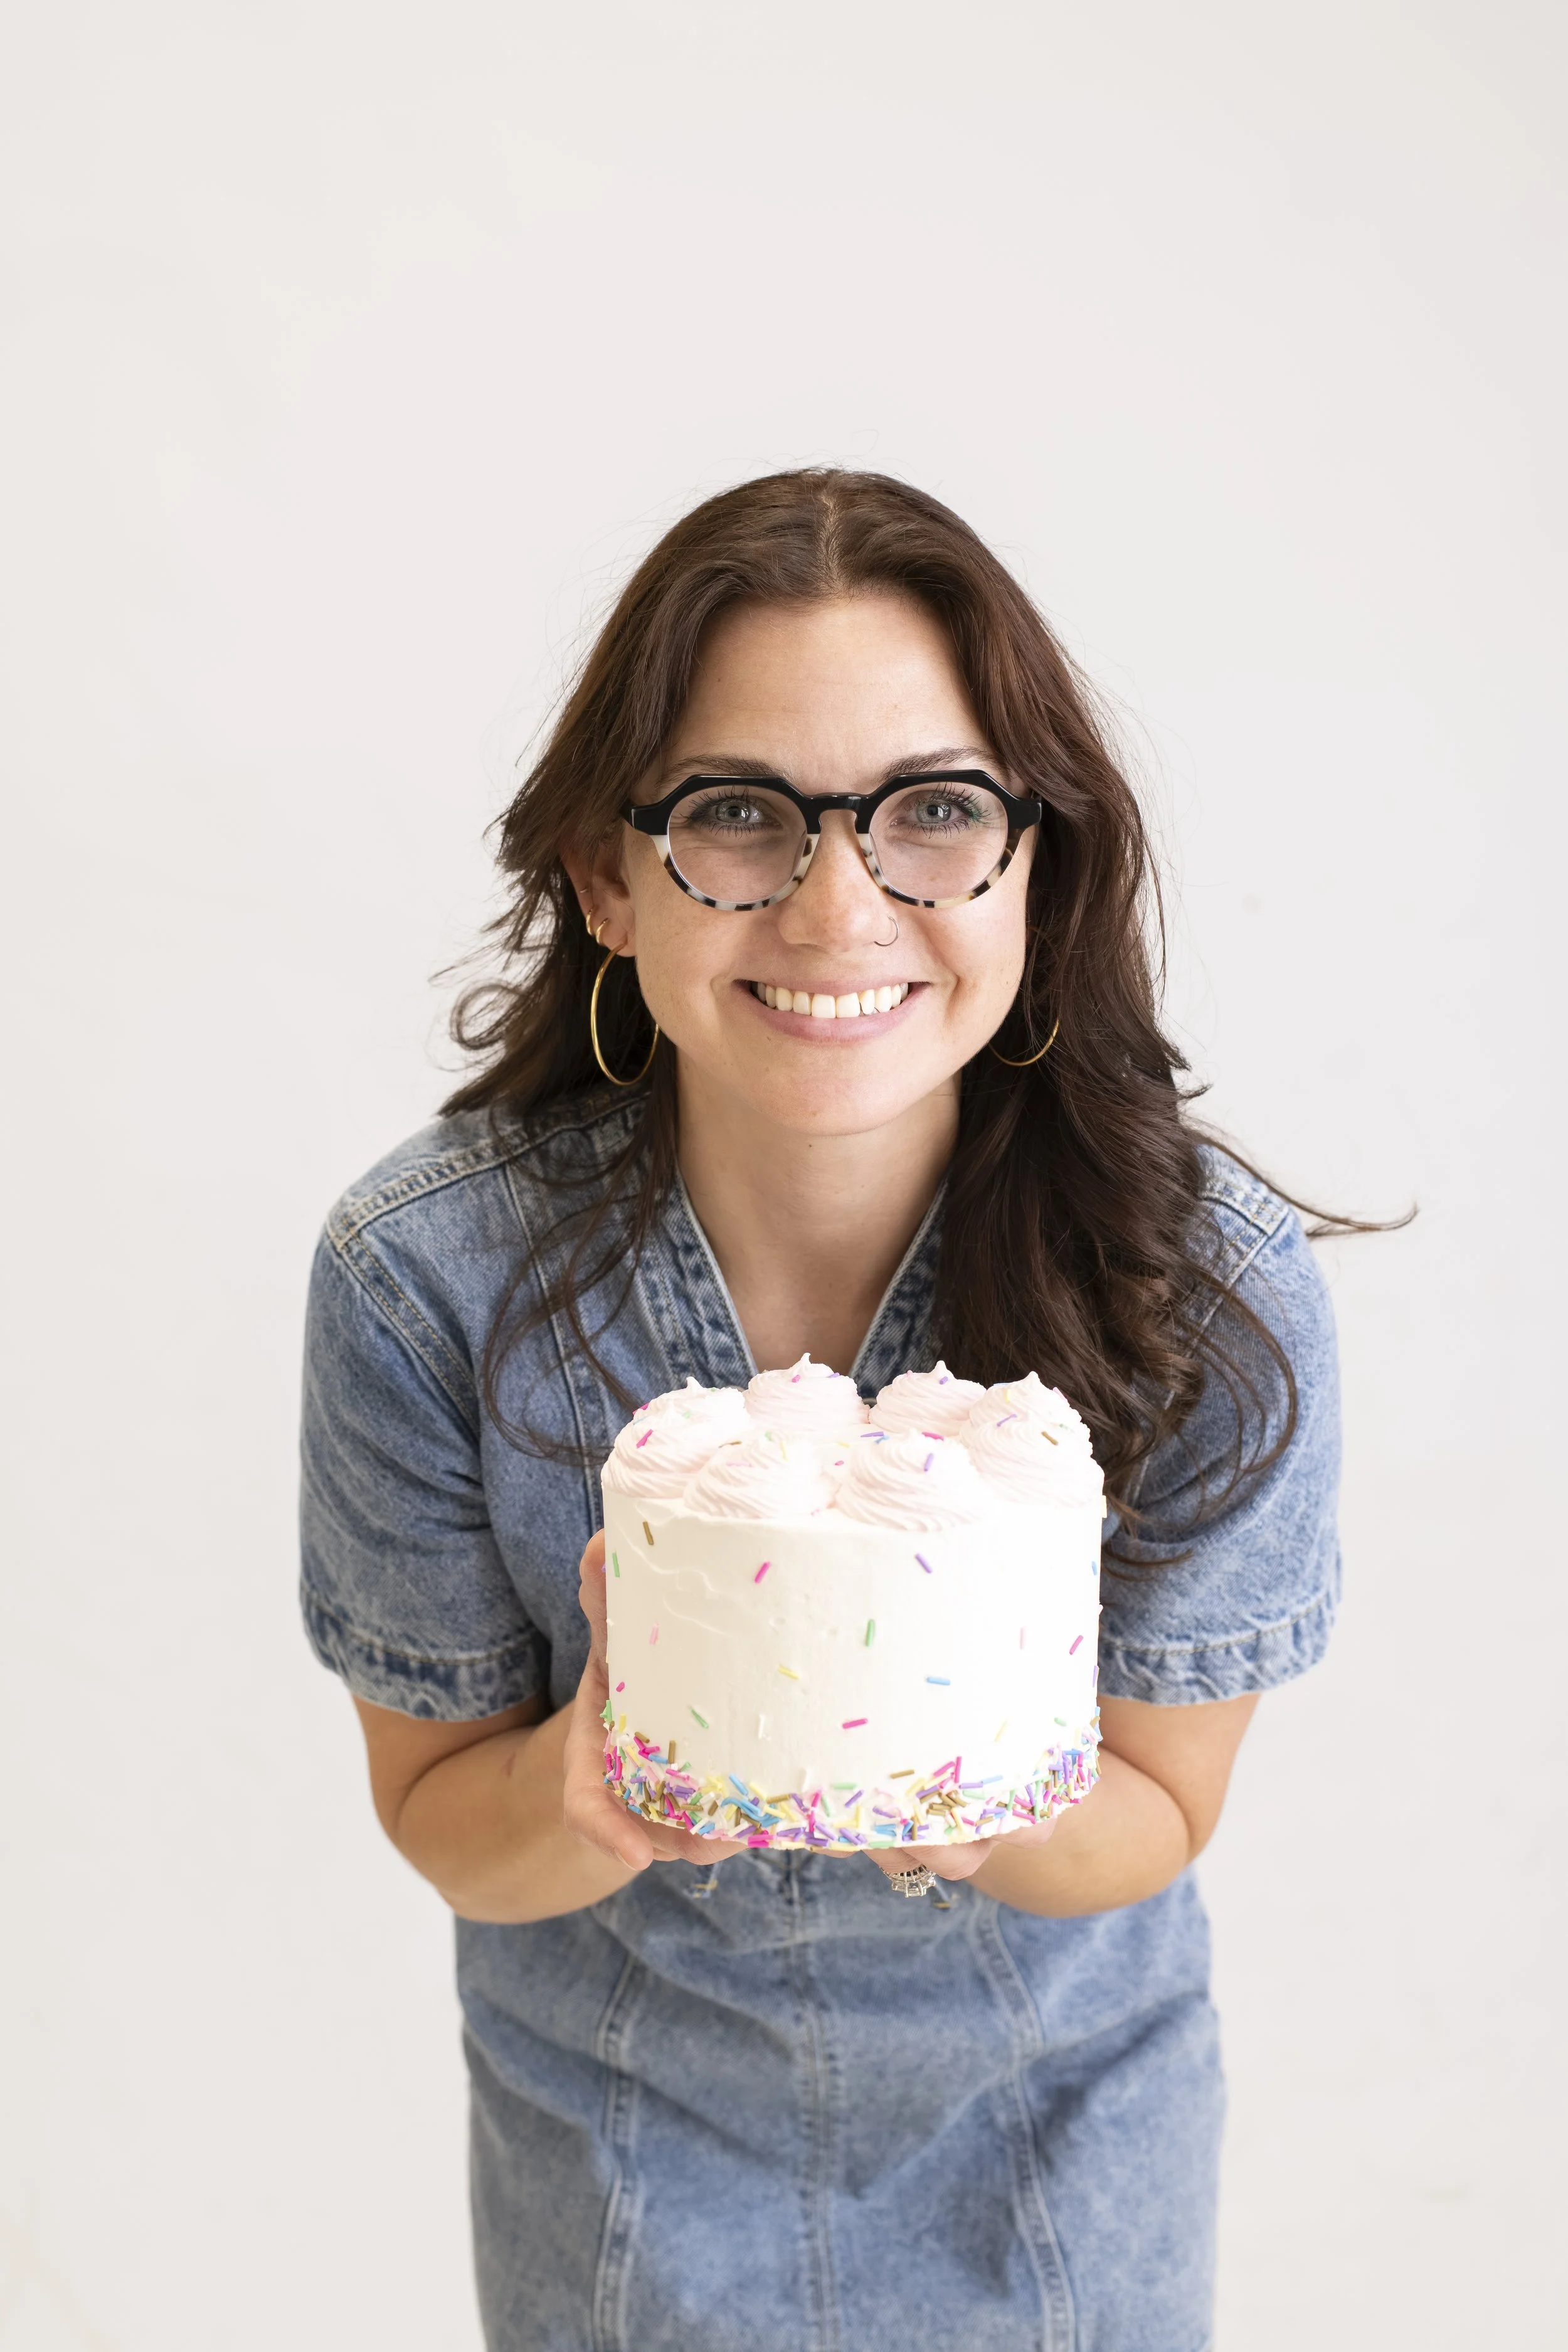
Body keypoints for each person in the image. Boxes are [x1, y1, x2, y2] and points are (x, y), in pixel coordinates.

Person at [300, 470, 1341, 2351]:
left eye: (933, 812)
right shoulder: (424, 1278)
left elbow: (1156, 1808)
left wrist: (937, 1772)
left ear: (1036, 860)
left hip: (1054, 2168)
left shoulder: (1206, 1285)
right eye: (737, 816)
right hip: (620, 2169)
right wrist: (600, 1778)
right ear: (608, 880)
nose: (837, 901)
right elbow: (444, 1815)